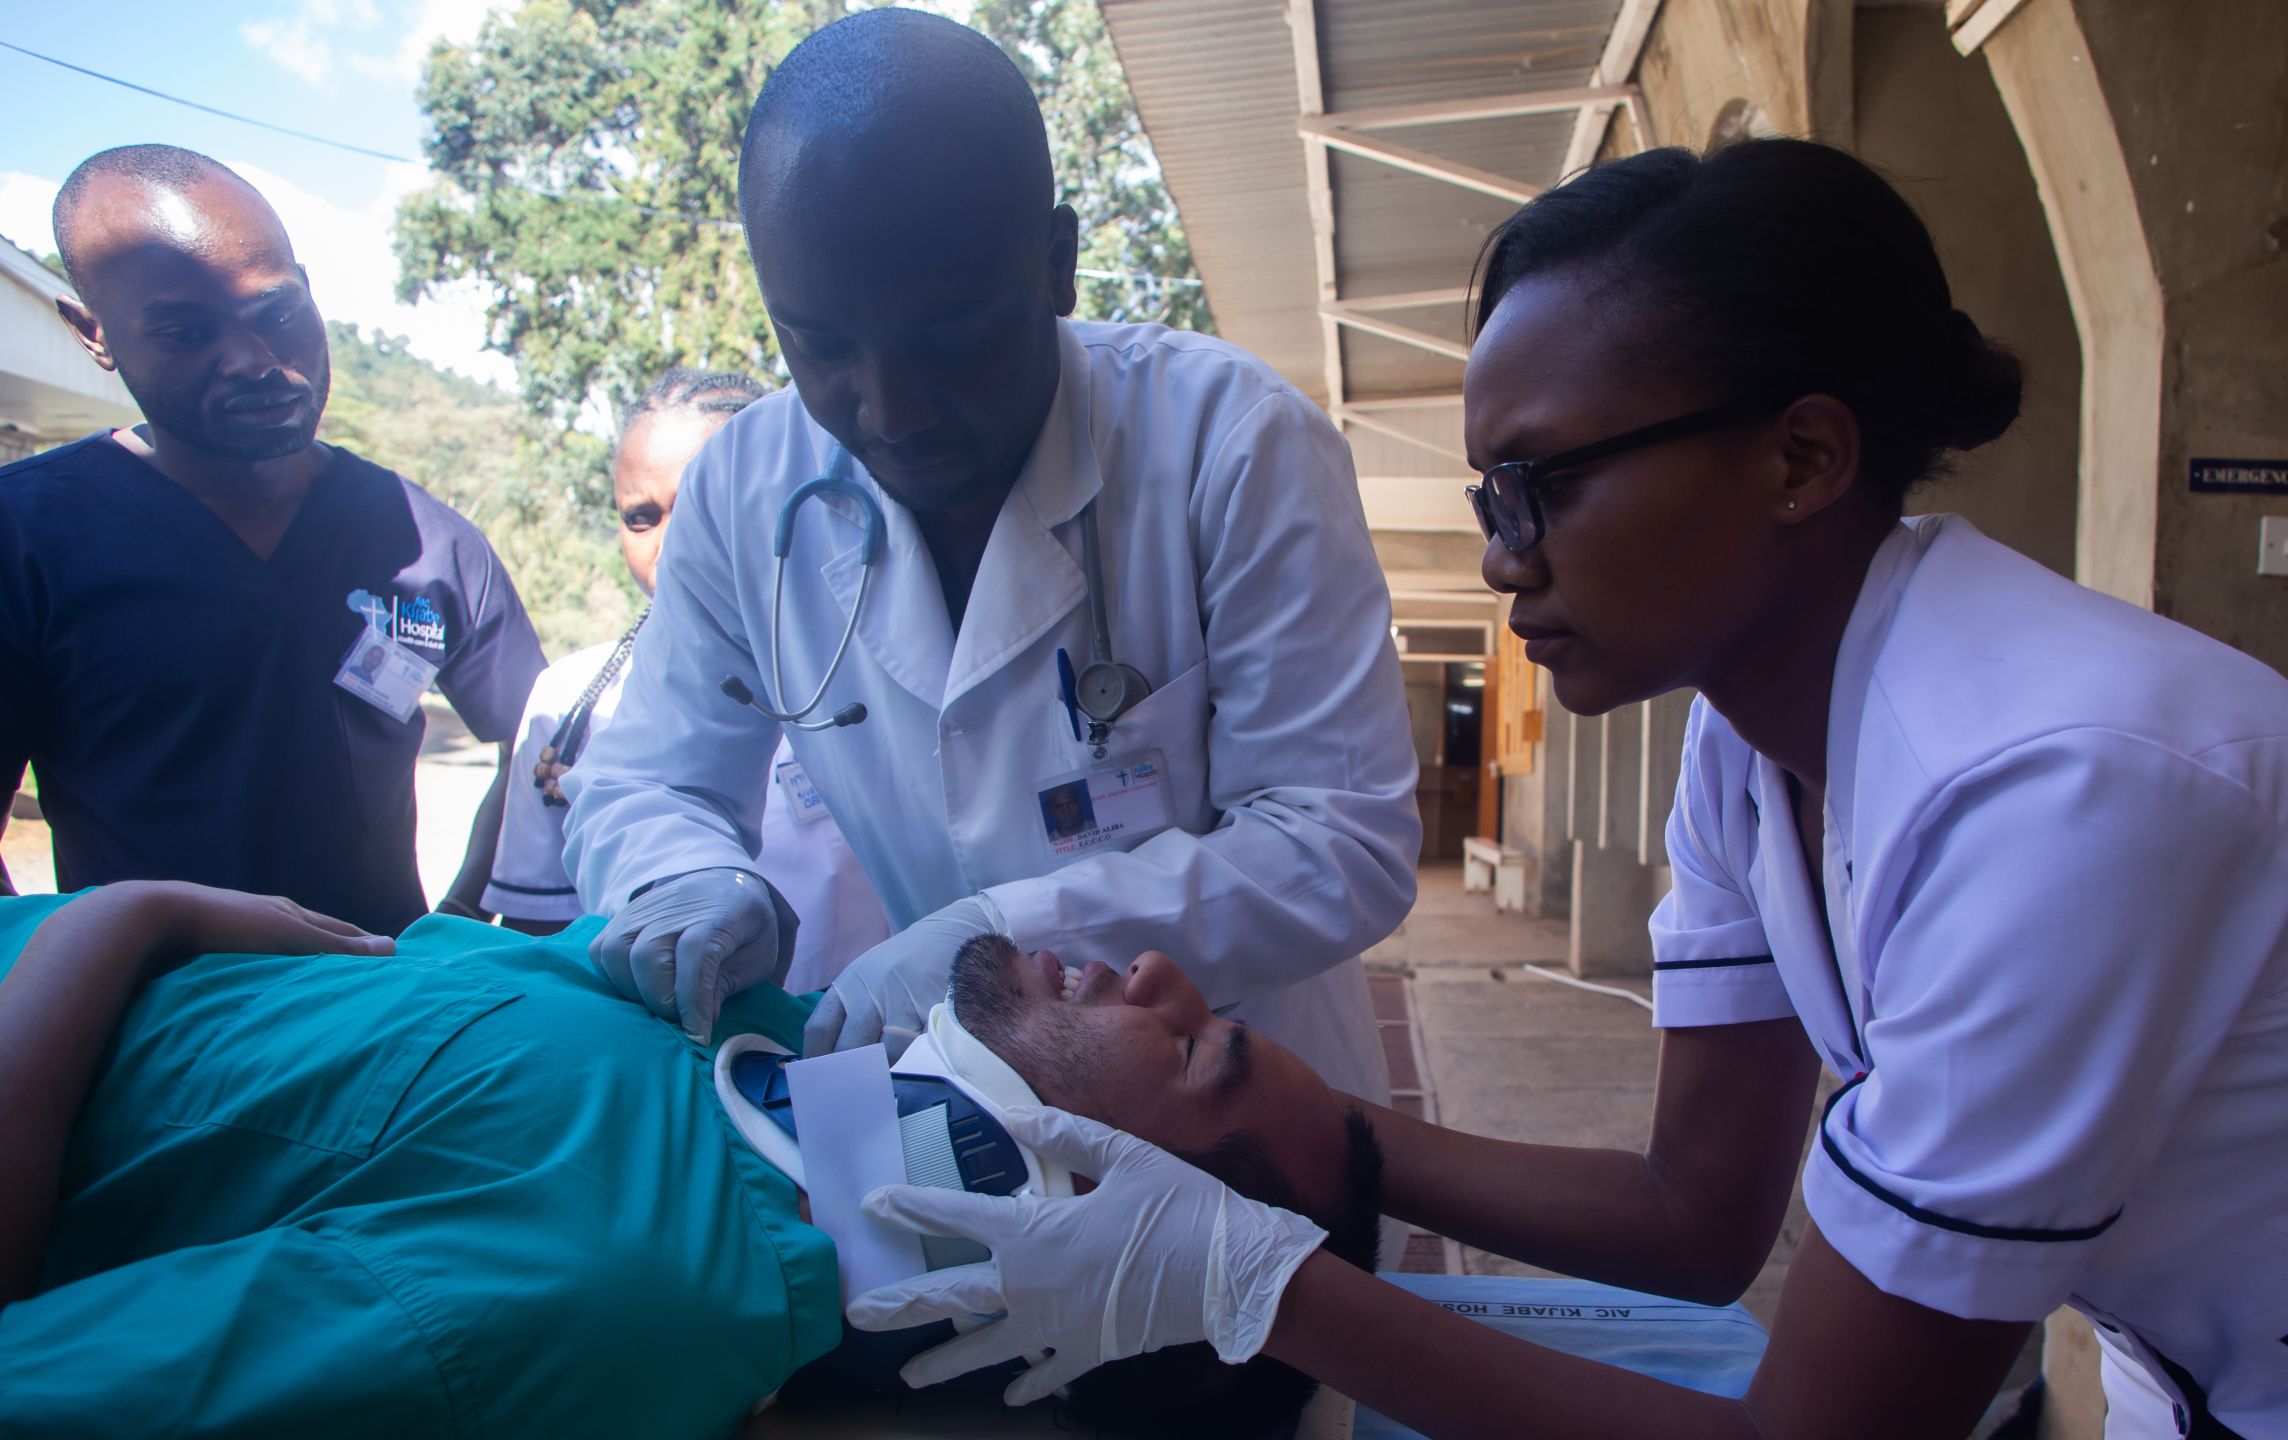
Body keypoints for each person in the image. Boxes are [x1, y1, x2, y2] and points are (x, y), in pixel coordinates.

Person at [850, 140, 2288, 1439]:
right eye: (1487, 499)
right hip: (2246, 1352)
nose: (1505, 563)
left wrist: (1256, 1286)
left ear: (1802, 457)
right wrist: (1312, 1120)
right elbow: (1694, 1216)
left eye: (1539, 488)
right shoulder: (1757, 744)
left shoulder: (2060, 791)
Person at [561, 10, 1419, 1100]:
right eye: (820, 346)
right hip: (951, 1105)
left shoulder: (1232, 442)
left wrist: (994, 943)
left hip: (1242, 1114)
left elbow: (1339, 843)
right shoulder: (747, 490)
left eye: (950, 338)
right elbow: (649, 779)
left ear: (1057, 263)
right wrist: (684, 878)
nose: (891, 407)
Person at [0, 881, 1378, 1438]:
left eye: (1200, 1049)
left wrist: (123, 920)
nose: (1158, 970)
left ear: (1100, 1216)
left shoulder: (601, 1291)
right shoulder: (762, 1051)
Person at [0, 145, 544, 933]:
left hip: (385, 1016)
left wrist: (458, 919)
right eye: (186, 333)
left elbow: (543, 748)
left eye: (277, 315)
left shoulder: (432, 543)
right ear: (96, 335)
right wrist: (63, 987)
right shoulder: (26, 540)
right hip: (153, 1030)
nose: (254, 362)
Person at [482, 368, 889, 988]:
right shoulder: (568, 704)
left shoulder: (865, 679)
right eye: (641, 517)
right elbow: (536, 934)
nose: (674, 542)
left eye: (702, 502)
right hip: (677, 1059)